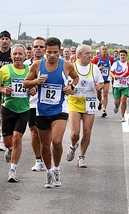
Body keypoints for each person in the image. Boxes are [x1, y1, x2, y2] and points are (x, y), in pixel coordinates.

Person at [24, 37, 79, 188]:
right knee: (45, 144)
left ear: (60, 52)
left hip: (60, 109)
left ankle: (56, 169)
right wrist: (36, 82)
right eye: (49, 52)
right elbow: (25, 83)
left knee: (57, 141)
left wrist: (71, 88)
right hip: (42, 110)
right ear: (45, 52)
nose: (52, 55)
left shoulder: (66, 65)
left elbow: (75, 77)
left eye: (55, 52)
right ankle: (48, 171)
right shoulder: (37, 65)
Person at [0, 44, 36, 182]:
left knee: (17, 138)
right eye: (15, 54)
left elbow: (34, 87)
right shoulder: (5, 69)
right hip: (8, 109)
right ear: (11, 56)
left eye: (20, 54)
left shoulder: (30, 70)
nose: (17, 56)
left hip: (24, 109)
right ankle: (9, 149)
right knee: (7, 142)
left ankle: (13, 169)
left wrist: (33, 90)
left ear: (25, 56)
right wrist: (3, 90)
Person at [65, 45, 104, 168]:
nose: (90, 55)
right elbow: (66, 84)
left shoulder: (94, 68)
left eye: (91, 53)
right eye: (87, 53)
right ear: (79, 55)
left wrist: (99, 86)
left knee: (87, 132)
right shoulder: (72, 67)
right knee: (75, 133)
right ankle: (73, 146)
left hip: (89, 102)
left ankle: (81, 157)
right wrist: (68, 90)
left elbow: (101, 82)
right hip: (74, 102)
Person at [24, 37, 46, 172]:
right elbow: (22, 82)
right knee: (33, 132)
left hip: (47, 103)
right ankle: (38, 160)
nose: (38, 49)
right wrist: (29, 87)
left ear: (45, 49)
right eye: (36, 46)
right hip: (31, 103)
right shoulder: (26, 64)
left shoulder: (50, 64)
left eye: (41, 47)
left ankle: (46, 150)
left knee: (44, 134)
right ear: (32, 49)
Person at [110, 49, 129, 122]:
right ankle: (116, 105)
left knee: (124, 100)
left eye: (124, 55)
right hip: (117, 85)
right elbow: (111, 72)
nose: (122, 56)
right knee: (117, 101)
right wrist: (114, 76)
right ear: (119, 56)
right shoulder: (115, 64)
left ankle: (122, 116)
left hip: (125, 86)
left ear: (126, 56)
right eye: (121, 55)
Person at [92, 45, 114, 117]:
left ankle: (104, 110)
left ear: (107, 50)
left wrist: (113, 76)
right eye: (103, 49)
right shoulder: (96, 59)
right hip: (98, 80)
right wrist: (98, 68)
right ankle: (100, 102)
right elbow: (92, 68)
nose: (104, 50)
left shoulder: (110, 59)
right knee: (98, 94)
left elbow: (113, 68)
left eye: (105, 49)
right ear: (100, 51)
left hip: (106, 79)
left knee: (105, 94)